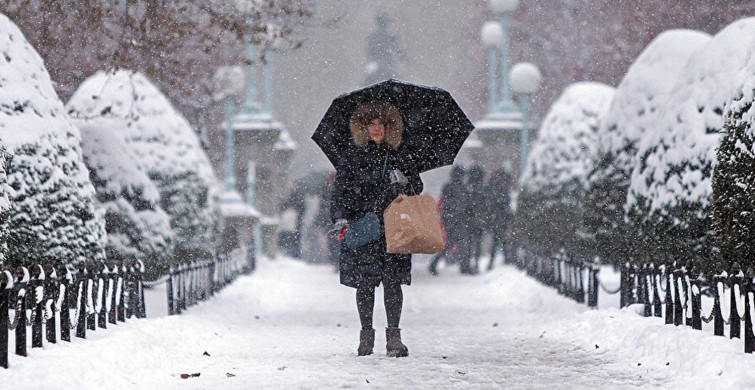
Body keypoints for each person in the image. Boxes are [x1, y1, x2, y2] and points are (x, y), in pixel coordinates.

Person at [331, 100, 422, 357]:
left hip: (395, 228)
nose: (377, 128)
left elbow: (418, 186)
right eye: (371, 124)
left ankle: (394, 337)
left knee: (393, 284)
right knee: (365, 284)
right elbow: (340, 191)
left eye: (382, 124)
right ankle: (366, 336)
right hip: (364, 227)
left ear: (390, 127)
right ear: (362, 127)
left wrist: (404, 179)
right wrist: (340, 218)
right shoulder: (351, 155)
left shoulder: (400, 154)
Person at [428, 165, 466, 275]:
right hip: (458, 218)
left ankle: (434, 264)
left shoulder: (447, 186)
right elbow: (464, 204)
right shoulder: (461, 187)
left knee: (450, 242)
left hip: (448, 218)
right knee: (459, 242)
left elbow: (440, 202)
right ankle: (463, 267)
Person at [486, 168, 513, 270]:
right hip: (501, 218)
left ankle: (493, 262)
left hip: (496, 219)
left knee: (497, 241)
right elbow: (505, 205)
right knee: (501, 240)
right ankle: (505, 259)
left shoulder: (493, 189)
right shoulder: (504, 191)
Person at [463, 165, 486, 274]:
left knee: (468, 243)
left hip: (468, 219)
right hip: (479, 219)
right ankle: (475, 265)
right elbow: (486, 204)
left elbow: (465, 204)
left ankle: (466, 265)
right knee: (477, 244)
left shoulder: (467, 187)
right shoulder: (483, 188)